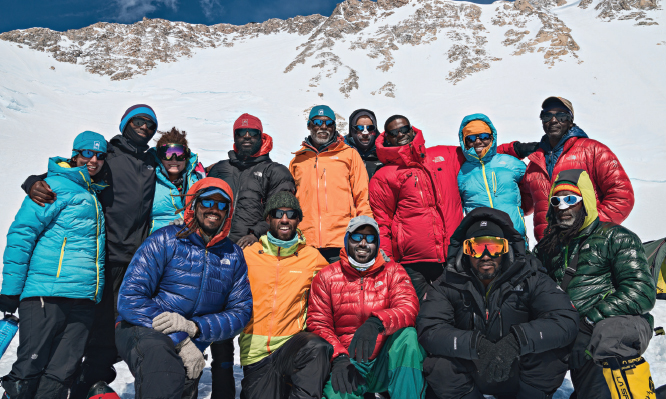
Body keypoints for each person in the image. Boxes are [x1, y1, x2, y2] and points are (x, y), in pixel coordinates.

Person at [20, 104, 161, 397]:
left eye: (150, 124)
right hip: (98, 256)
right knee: (80, 326)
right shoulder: (107, 154)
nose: (144, 127)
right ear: (124, 124)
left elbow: (181, 171)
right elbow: (70, 173)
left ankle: (94, 380)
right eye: (138, 121)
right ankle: (54, 381)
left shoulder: (153, 161)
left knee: (111, 328)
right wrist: (33, 182)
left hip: (131, 260)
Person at [417, 207, 579, 399]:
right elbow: (430, 328)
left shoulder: (530, 276)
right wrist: (476, 345)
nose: (486, 255)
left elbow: (565, 318)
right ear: (465, 251)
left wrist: (516, 342)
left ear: (506, 248)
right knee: (439, 364)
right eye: (476, 247)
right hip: (473, 369)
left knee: (552, 354)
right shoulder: (448, 282)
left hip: (518, 368)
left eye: (494, 246)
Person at [115, 177, 253, 399]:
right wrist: (180, 339)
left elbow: (241, 312)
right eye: (208, 202)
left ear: (229, 211)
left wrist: (194, 327)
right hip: (144, 328)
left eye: (221, 204)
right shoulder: (166, 240)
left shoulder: (233, 255)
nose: (214, 209)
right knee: (162, 362)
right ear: (195, 205)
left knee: (181, 388)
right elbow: (131, 297)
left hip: (193, 340)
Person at [0, 131, 108, 398]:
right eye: (87, 153)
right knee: (29, 369)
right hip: (46, 294)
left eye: (100, 155)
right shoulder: (53, 186)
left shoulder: (94, 192)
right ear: (75, 155)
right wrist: (11, 289)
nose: (93, 160)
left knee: (62, 374)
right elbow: (22, 234)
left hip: (83, 298)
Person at [534, 169, 656, 399]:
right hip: (567, 327)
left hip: (612, 323)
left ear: (586, 201)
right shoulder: (547, 248)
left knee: (603, 341)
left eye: (571, 199)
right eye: (556, 200)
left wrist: (590, 321)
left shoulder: (616, 238)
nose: (563, 207)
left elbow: (642, 291)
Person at [206, 113, 295, 399]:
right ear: (234, 137)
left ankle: (257, 381)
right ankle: (222, 388)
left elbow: (282, 208)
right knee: (219, 319)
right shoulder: (218, 169)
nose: (246, 137)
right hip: (218, 253)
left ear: (261, 137)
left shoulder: (275, 171)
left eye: (252, 133)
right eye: (241, 133)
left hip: (254, 255)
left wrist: (257, 232)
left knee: (251, 318)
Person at [308, 216, 425, 399]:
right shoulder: (326, 277)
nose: (363, 243)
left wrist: (377, 322)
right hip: (350, 362)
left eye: (370, 239)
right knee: (335, 394)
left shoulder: (393, 271)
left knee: (407, 336)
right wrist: (338, 357)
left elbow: (408, 306)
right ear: (347, 240)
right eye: (357, 237)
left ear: (377, 243)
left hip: (385, 361)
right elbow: (318, 323)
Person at [239, 191, 333, 399]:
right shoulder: (249, 254)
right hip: (255, 353)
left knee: (317, 347)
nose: (284, 219)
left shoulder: (311, 257)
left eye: (291, 214)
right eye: (278, 213)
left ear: (298, 220)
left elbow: (338, 280)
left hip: (292, 345)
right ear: (268, 219)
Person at [503, 96, 635, 241]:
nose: (553, 120)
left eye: (561, 116)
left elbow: (622, 196)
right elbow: (523, 205)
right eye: (547, 116)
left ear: (570, 120)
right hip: (549, 248)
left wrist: (591, 229)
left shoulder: (593, 150)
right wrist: (514, 149)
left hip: (588, 247)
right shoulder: (535, 163)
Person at [369, 115, 466, 299]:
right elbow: (382, 222)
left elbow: (479, 151)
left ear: (412, 130)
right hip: (414, 263)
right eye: (394, 133)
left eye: (404, 129)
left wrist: (513, 149)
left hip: (454, 255)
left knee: (457, 312)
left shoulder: (443, 155)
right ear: (386, 138)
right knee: (424, 315)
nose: (400, 135)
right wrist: (387, 263)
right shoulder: (383, 176)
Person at [290, 105, 372, 263]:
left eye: (329, 123)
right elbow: (291, 203)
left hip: (342, 241)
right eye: (317, 122)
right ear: (309, 125)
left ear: (334, 127)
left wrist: (365, 235)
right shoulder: (298, 160)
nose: (323, 127)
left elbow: (362, 198)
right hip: (306, 243)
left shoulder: (349, 155)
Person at [457, 114, 528, 243]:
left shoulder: (511, 163)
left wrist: (520, 214)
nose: (478, 142)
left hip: (515, 237)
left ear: (492, 137)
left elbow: (532, 191)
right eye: (471, 138)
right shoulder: (461, 173)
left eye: (484, 136)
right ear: (464, 142)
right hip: (480, 240)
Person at [149, 127, 205, 233]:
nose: (174, 159)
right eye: (168, 154)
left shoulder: (196, 180)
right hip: (156, 240)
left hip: (189, 239)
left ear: (187, 156)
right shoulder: (149, 178)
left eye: (180, 155)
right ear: (159, 156)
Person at [344, 109, 384, 179]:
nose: (365, 133)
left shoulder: (385, 153)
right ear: (352, 130)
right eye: (359, 128)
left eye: (370, 128)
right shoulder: (340, 152)